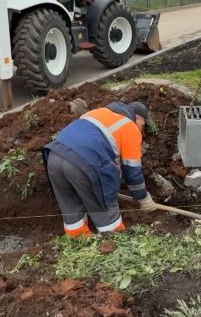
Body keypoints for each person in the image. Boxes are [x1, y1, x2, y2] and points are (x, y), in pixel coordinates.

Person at [43, 101, 157, 237]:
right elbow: (132, 171)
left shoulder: (96, 112)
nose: (141, 130)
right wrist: (142, 198)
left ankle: (77, 242)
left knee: (71, 208)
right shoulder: (129, 126)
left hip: (54, 156)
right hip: (84, 164)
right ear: (138, 118)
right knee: (104, 208)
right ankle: (115, 243)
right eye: (143, 125)